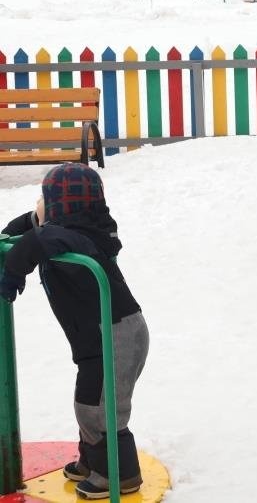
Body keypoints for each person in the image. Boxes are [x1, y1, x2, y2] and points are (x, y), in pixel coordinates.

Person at [0, 163, 149, 500]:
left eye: (45, 199)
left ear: (60, 206)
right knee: (88, 401)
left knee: (101, 410)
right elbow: (32, 229)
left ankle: (121, 475)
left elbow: (43, 236)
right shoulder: (73, 229)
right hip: (99, 336)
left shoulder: (79, 237)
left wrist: (12, 274)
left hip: (117, 336)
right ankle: (92, 461)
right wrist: (19, 229)